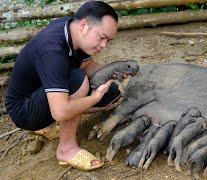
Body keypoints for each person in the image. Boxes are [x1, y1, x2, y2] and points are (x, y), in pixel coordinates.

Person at [5, 1, 121, 171]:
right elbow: (60, 111)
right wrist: (94, 97)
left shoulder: (75, 31)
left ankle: (71, 109)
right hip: (24, 108)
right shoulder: (52, 50)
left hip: (49, 91)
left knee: (111, 92)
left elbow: (88, 66)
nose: (104, 45)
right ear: (84, 25)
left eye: (108, 40)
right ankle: (66, 149)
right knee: (77, 80)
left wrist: (115, 73)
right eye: (102, 37)